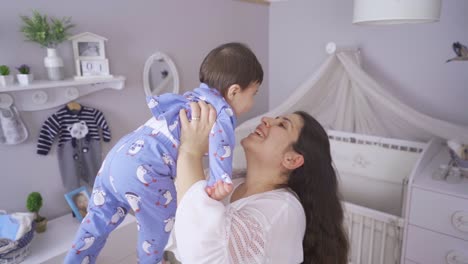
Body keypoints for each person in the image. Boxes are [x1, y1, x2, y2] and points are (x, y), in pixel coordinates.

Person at [64, 42, 263, 264]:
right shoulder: (220, 110)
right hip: (145, 168)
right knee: (157, 227)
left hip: (117, 157)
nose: (253, 101)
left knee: (96, 223)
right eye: (253, 93)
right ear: (235, 91)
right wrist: (219, 181)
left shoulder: (189, 99)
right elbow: (222, 148)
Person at [169, 101, 349, 263]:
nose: (266, 119)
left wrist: (191, 152)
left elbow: (204, 254)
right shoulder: (228, 179)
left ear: (292, 160)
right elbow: (174, 221)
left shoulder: (284, 210)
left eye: (282, 125)